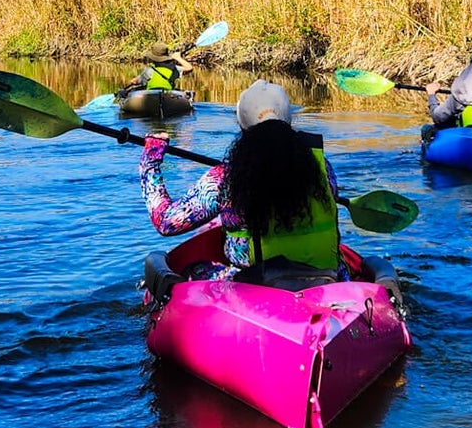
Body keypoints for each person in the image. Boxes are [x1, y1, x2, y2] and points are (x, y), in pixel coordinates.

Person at [139, 78, 345, 280]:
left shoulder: (225, 179)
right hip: (326, 278)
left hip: (259, 285)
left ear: (241, 126)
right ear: (289, 120)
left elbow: (166, 222)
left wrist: (151, 160)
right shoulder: (322, 167)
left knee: (194, 270)